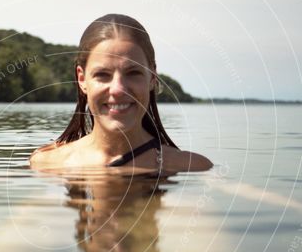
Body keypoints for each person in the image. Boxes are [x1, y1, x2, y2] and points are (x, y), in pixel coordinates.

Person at [29, 14, 213, 173]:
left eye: (133, 73)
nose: (118, 89)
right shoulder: (46, 164)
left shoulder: (192, 167)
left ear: (152, 77)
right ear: (82, 79)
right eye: (102, 74)